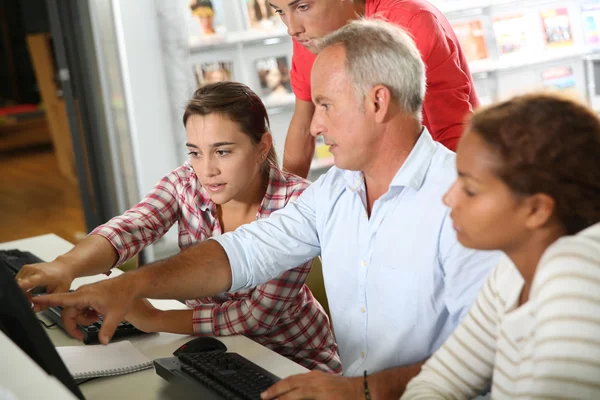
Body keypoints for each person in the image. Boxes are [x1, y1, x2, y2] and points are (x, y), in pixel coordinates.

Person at [32, 20, 499, 399]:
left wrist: (360, 391)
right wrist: (128, 286)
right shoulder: (336, 189)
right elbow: (240, 253)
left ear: (378, 102)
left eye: (325, 105)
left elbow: (487, 356)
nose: (313, 125)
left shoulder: (464, 202)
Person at [18, 81, 341, 374]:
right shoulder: (186, 181)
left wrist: (154, 319)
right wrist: (65, 266)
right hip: (214, 351)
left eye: (223, 151)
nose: (207, 170)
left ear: (262, 146)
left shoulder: (298, 201)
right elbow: (131, 227)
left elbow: (253, 317)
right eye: (195, 153)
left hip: (293, 361)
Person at [401, 93, 600, 399]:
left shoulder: (575, 279)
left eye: (469, 189)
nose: (448, 199)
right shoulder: (510, 273)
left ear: (536, 210)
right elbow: (437, 382)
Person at [271, 0, 480, 178]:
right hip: (373, 176)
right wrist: (286, 200)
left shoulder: (411, 21)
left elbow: (453, 134)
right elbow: (303, 124)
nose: (292, 29)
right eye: (279, 11)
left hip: (437, 172)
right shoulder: (310, 38)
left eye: (303, 6)